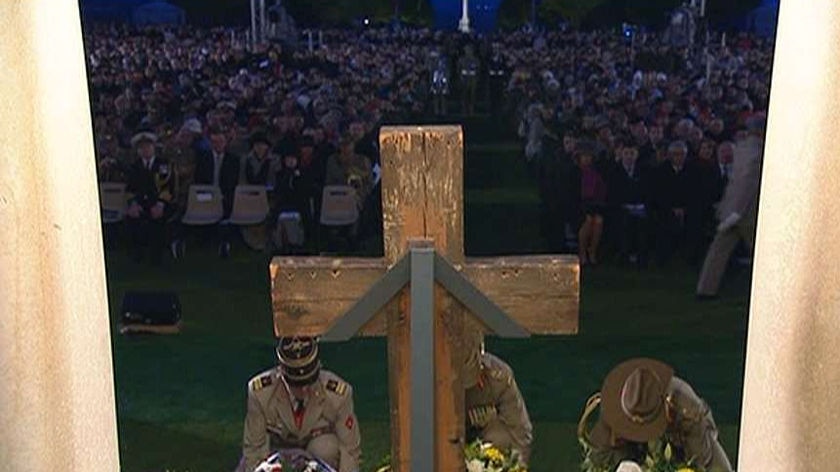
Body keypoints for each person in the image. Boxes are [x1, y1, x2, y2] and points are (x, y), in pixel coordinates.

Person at [579, 358, 733, 472]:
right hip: (631, 449)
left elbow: (702, 460)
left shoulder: (686, 408)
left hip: (680, 441)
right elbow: (598, 457)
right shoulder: (614, 406)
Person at [237, 337, 361, 472]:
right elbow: (254, 449)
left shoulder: (338, 395)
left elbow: (350, 450)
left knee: (327, 448)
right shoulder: (261, 394)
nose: (304, 389)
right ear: (282, 376)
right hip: (275, 454)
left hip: (318, 454)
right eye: (297, 385)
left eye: (310, 381)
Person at [696, 114, 765, 298]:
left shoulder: (741, 148)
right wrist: (740, 211)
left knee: (718, 249)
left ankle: (705, 289)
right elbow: (748, 182)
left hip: (730, 206)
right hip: (747, 210)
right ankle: (771, 290)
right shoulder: (761, 152)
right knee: (762, 251)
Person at [463, 340, 533, 466]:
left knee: (498, 435)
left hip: (487, 456)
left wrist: (492, 425)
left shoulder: (499, 377)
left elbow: (522, 438)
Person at [124, 131, 175, 264]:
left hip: (159, 203)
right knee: (133, 220)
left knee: (158, 222)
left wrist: (160, 204)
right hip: (141, 204)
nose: (145, 149)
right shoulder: (134, 167)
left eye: (148, 146)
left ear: (154, 147)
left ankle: (157, 256)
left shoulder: (163, 164)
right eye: (142, 147)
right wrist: (133, 204)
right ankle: (137, 255)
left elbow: (168, 187)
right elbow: (130, 189)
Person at [194, 126, 241, 258]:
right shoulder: (203, 158)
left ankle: (224, 243)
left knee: (226, 206)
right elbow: (199, 180)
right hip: (206, 195)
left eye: (220, 142)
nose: (217, 145)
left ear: (225, 143)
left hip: (225, 196)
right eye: (214, 142)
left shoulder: (233, 160)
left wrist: (221, 195)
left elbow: (233, 182)